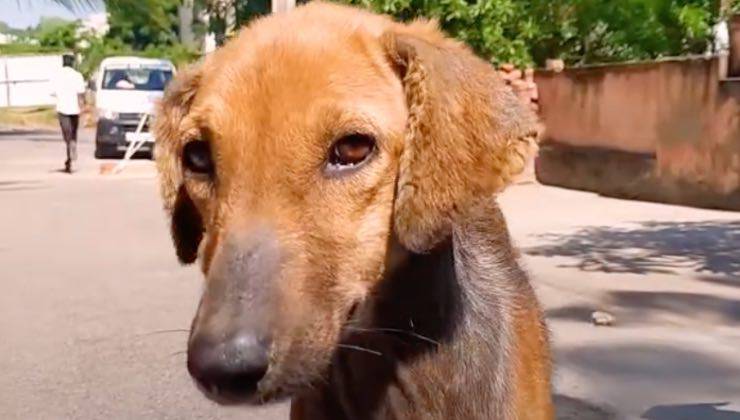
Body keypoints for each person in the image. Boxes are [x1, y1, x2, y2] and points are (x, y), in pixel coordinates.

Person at [50, 54, 86, 173]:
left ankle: (69, 154)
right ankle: (71, 150)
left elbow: (52, 93)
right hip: (74, 109)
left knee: (67, 134)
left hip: (62, 109)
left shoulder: (56, 76)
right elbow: (81, 93)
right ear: (72, 63)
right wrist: (83, 106)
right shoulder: (77, 75)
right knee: (73, 134)